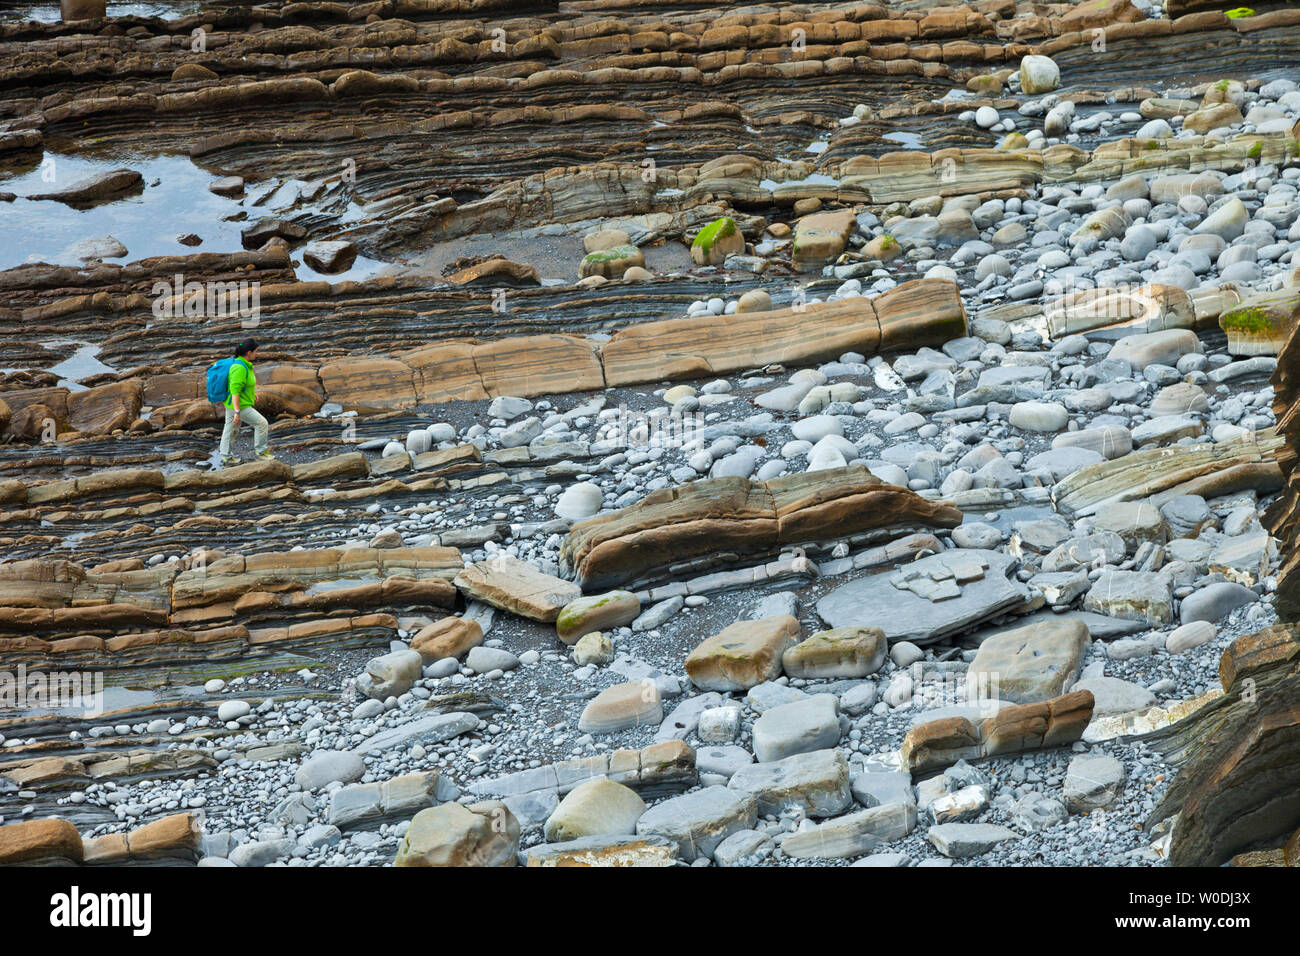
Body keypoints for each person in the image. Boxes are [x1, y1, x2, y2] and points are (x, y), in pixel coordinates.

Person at [219, 337, 274, 465]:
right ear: (249, 352)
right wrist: (237, 411)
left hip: (233, 404)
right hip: (238, 405)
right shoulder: (240, 368)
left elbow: (245, 385)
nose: (257, 354)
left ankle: (226, 456)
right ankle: (261, 453)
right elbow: (235, 390)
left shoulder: (243, 364)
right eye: (255, 351)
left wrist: (251, 394)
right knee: (261, 424)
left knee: (231, 429)